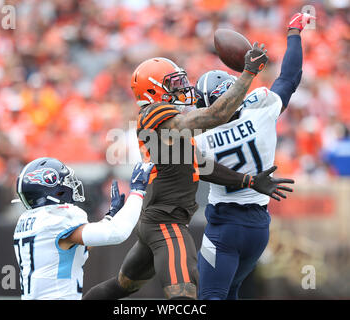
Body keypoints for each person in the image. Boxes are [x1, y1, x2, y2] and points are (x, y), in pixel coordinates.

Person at [83, 43, 294, 300]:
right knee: (185, 298)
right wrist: (248, 73)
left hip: (157, 218)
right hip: (167, 223)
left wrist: (249, 180)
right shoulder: (153, 114)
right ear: (153, 90)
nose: (182, 87)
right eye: (172, 84)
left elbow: (202, 167)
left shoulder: (171, 129)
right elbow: (216, 114)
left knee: (121, 286)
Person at [193, 12, 315, 300]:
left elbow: (191, 163)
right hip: (259, 228)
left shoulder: (200, 137)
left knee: (209, 297)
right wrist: (294, 32)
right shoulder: (260, 110)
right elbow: (290, 77)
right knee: (232, 291)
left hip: (223, 229)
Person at [12, 157, 154, 299]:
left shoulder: (29, 220)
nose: (71, 185)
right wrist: (137, 192)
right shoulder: (56, 218)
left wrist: (109, 218)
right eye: (66, 181)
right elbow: (117, 233)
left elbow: (75, 246)